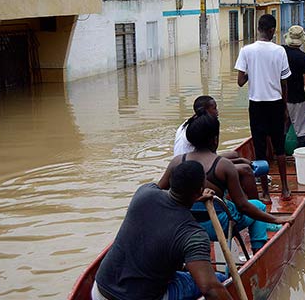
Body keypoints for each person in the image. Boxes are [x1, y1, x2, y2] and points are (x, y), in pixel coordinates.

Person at [94, 161, 230, 300]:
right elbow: (210, 289)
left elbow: (167, 196)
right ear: (200, 190)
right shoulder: (193, 234)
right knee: (220, 280)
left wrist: (194, 197)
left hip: (99, 291)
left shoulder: (144, 192)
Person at [158, 114, 291, 253]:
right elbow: (243, 206)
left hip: (186, 223)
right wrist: (274, 219)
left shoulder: (177, 161)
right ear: (215, 139)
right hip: (219, 226)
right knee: (259, 206)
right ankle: (258, 251)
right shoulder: (223, 165)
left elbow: (158, 191)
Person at [235, 14, 292, 202]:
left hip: (256, 105)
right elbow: (284, 83)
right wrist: (285, 108)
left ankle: (265, 194)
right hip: (276, 103)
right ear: (272, 30)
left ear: (258, 28)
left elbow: (240, 81)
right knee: (280, 148)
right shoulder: (280, 51)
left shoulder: (246, 50)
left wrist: (252, 71)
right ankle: (285, 189)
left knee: (260, 150)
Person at [174, 96, 258, 200]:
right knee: (245, 169)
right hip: (193, 167)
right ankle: (255, 203)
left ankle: (238, 193)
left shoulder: (189, 122)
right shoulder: (202, 126)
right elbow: (208, 158)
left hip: (195, 159)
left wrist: (238, 160)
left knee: (234, 154)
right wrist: (236, 162)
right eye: (214, 108)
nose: (217, 112)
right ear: (205, 110)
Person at [283, 25, 305, 147]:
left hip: (279, 97)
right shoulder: (303, 57)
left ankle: (279, 153)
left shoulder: (280, 52)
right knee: (302, 130)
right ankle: (302, 152)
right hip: (297, 99)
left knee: (282, 126)